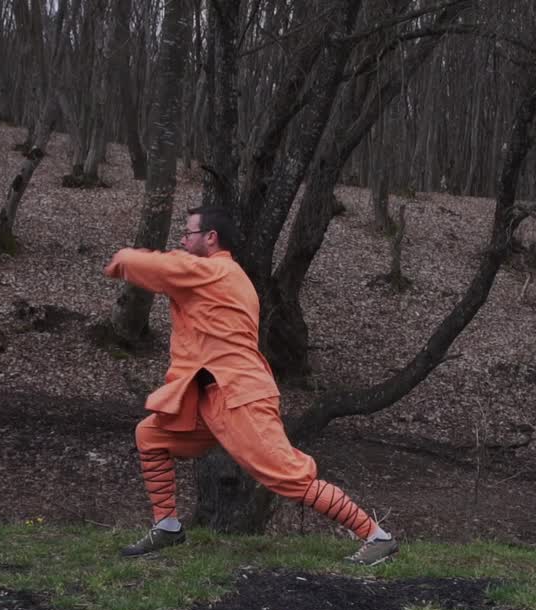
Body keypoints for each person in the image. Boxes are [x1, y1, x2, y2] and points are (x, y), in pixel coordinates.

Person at [103, 206, 399, 565]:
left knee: (288, 476)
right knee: (151, 436)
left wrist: (123, 257)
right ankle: (167, 526)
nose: (182, 240)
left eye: (188, 233)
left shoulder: (214, 270)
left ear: (210, 238)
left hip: (239, 396)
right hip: (213, 397)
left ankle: (376, 536)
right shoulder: (223, 275)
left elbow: (156, 267)